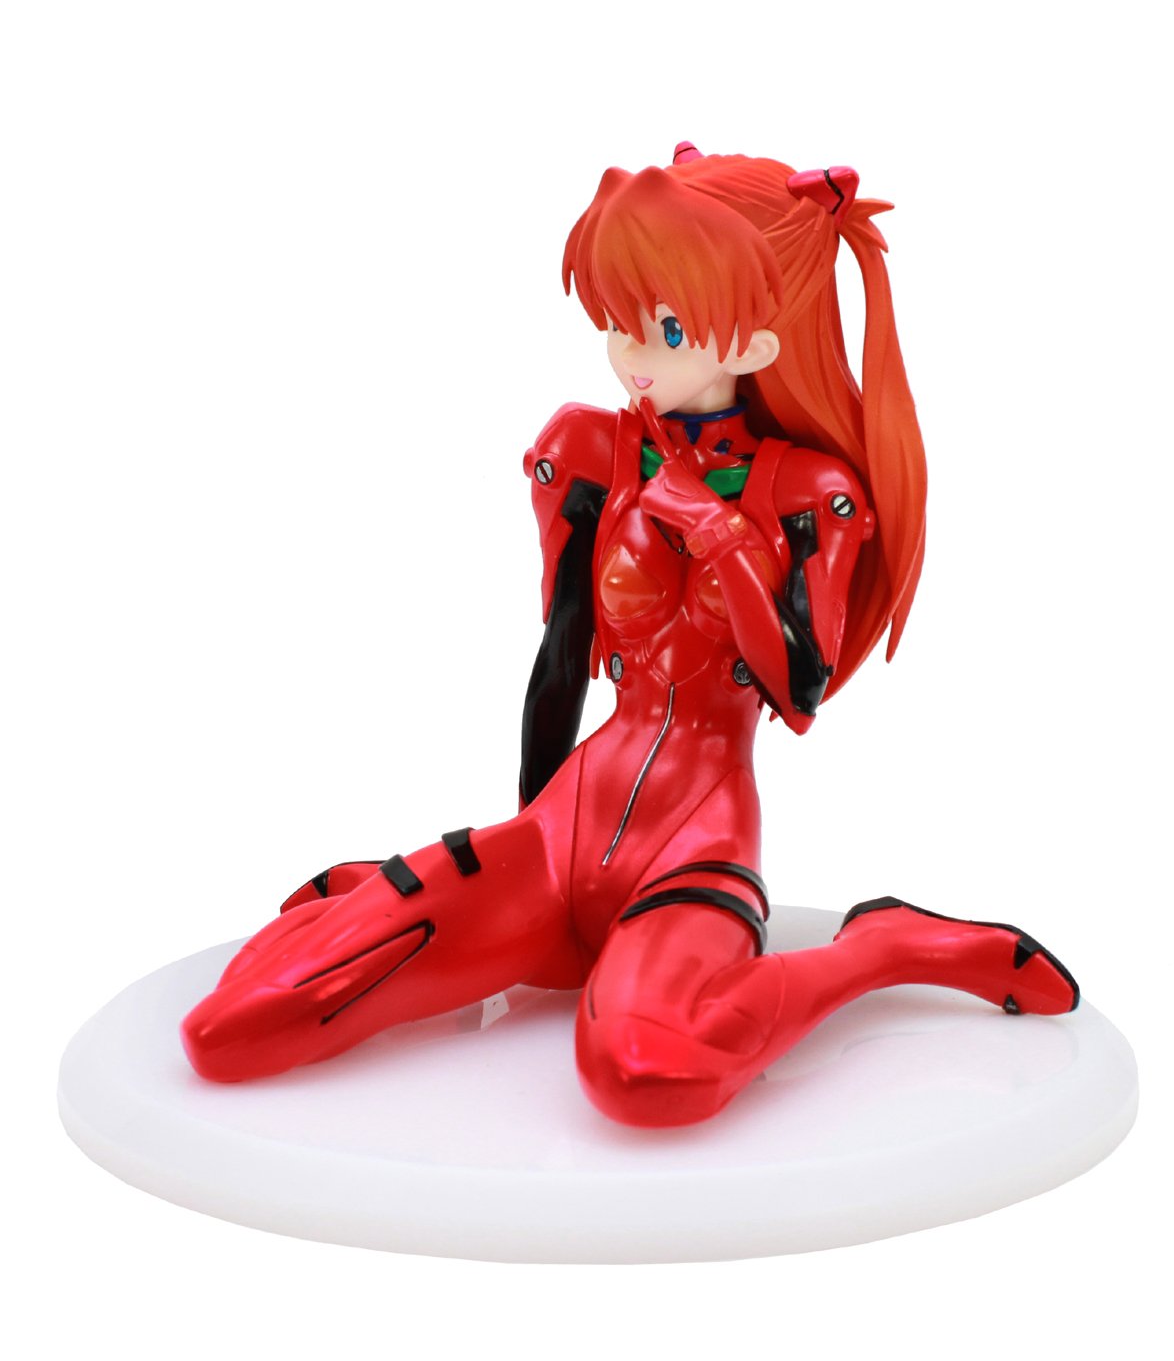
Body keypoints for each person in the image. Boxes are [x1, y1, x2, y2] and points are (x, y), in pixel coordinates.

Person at [181, 144, 1078, 1128]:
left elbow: (797, 693)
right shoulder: (587, 451)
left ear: (759, 343)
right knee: (236, 1025)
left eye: (666, 325)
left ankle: (882, 947)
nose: (630, 352)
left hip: (699, 839)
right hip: (563, 830)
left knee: (645, 1074)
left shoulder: (808, 494)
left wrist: (721, 535)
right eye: (616, 319)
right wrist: (510, 856)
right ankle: (498, 920)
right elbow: (563, 654)